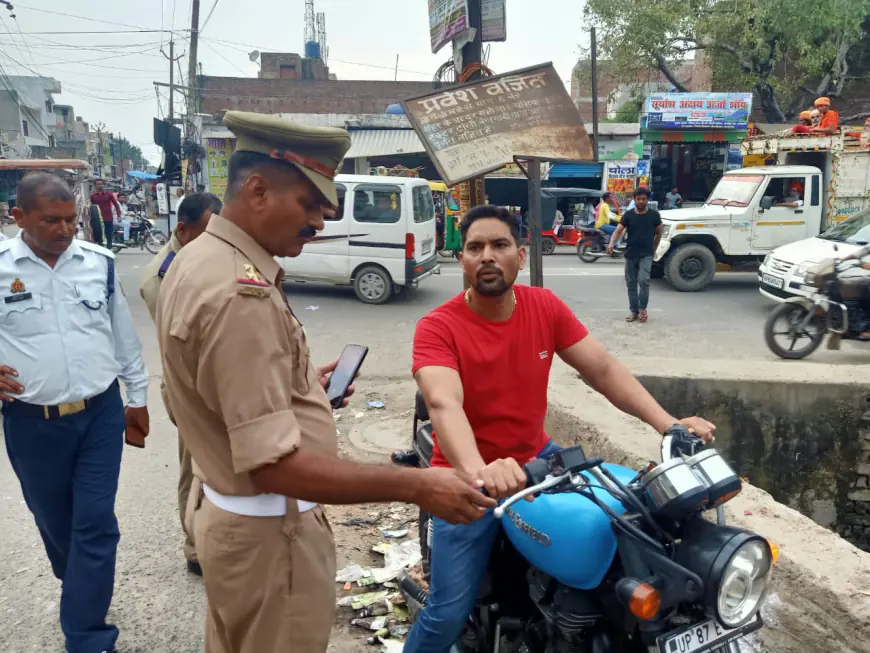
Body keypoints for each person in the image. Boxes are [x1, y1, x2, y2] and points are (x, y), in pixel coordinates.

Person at [156, 111, 494, 653]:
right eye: (310, 204)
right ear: (258, 189)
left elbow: (207, 390)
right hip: (269, 540)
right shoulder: (238, 295)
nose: (321, 221)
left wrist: (300, 386)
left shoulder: (200, 260)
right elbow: (274, 467)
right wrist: (418, 486)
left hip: (235, 523)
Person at [403, 204, 715, 653]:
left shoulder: (544, 306)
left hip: (540, 460)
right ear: (462, 259)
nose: (487, 255)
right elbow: (443, 403)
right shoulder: (438, 326)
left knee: (636, 523)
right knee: (448, 610)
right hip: (467, 481)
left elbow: (603, 370)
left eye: (499, 245)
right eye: (475, 247)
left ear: (521, 254)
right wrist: (477, 472)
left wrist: (669, 425)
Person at [0, 172, 150, 653]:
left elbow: (123, 338)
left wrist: (138, 399)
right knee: (57, 521)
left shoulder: (99, 264)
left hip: (99, 414)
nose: (64, 230)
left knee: (95, 522)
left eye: (71, 220)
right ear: (18, 217)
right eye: (51, 221)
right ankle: (82, 579)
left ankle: (88, 637)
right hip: (30, 423)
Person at [140, 192, 222, 577]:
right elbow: (185, 343)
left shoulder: (196, 259)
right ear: (183, 230)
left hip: (211, 383)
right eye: (206, 232)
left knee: (213, 464)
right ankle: (195, 550)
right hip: (189, 388)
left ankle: (210, 539)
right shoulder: (166, 275)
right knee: (196, 468)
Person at [607, 187, 662, 323]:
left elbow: (659, 233)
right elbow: (618, 230)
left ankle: (643, 309)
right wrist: (611, 243)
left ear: (647, 200)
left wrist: (653, 249)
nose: (641, 201)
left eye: (644, 199)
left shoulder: (654, 215)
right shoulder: (628, 215)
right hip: (631, 254)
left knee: (644, 281)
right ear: (634, 199)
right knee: (631, 284)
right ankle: (634, 311)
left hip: (646, 255)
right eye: (638, 199)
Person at [90, 179, 121, 249]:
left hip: (108, 218)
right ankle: (100, 249)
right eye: (98, 184)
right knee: (98, 235)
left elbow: (116, 205)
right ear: (95, 186)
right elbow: (90, 207)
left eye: (101, 184)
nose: (100, 185)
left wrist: (119, 216)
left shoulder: (109, 194)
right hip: (97, 219)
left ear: (103, 185)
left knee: (109, 235)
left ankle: (109, 249)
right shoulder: (93, 196)